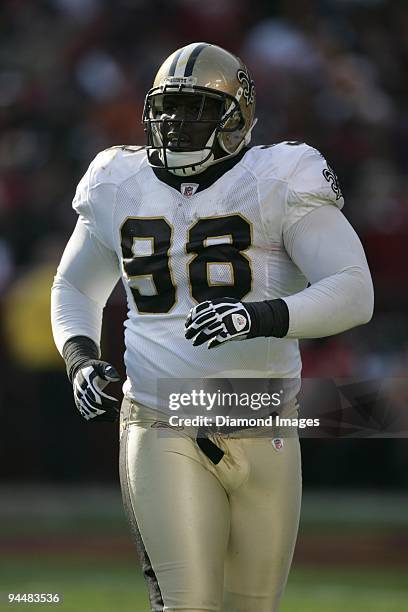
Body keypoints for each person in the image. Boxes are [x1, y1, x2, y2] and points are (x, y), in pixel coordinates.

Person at [51, 42, 374, 612]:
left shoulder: (278, 175)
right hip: (160, 419)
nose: (176, 125)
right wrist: (80, 356)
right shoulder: (116, 179)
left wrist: (260, 315)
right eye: (167, 109)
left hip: (265, 417)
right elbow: (76, 287)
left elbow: (353, 290)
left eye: (196, 109)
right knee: (189, 605)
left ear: (236, 117)